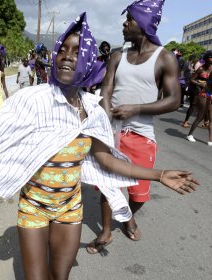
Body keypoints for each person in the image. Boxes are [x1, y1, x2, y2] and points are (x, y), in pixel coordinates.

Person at [0, 13, 198, 280]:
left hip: (70, 207)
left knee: (61, 276)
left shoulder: (92, 109)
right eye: (63, 49)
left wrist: (159, 175)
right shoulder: (33, 100)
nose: (67, 56)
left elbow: (108, 161)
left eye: (77, 51)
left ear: (89, 61)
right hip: (33, 205)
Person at [86, 0, 182, 254]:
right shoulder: (118, 55)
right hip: (112, 132)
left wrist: (137, 109)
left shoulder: (165, 58)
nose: (124, 23)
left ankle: (128, 216)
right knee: (108, 186)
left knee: (138, 193)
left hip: (141, 134)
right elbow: (107, 86)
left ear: (145, 23)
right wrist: (106, 112)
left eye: (129, 19)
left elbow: (174, 100)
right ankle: (106, 233)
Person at [186, 51, 212, 144]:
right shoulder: (201, 69)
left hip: (210, 94)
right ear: (206, 59)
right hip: (202, 93)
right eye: (211, 57)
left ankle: (210, 139)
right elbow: (191, 79)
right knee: (200, 116)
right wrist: (200, 83)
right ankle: (190, 134)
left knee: (210, 117)